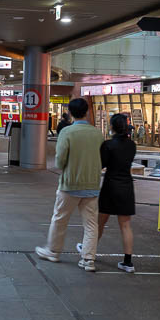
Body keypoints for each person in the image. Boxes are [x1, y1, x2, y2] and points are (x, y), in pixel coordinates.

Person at [35, 98, 104, 272]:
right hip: (92, 185)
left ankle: (53, 251)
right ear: (87, 112)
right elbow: (102, 159)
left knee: (60, 218)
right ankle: (88, 259)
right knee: (91, 224)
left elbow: (60, 160)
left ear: (70, 113)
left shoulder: (67, 132)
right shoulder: (98, 134)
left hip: (70, 184)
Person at [95, 113, 138, 272]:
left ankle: (89, 250)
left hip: (110, 185)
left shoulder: (108, 145)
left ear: (112, 127)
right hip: (126, 186)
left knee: (100, 222)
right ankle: (128, 262)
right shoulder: (132, 145)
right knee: (125, 225)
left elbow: (101, 164)